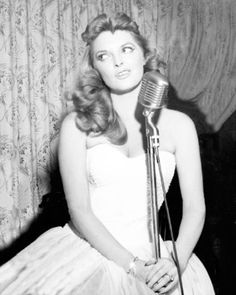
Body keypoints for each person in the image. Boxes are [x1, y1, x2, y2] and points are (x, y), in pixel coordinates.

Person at [0, 13, 215, 295]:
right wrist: (133, 266)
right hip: (87, 251)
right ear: (95, 67)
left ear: (144, 56)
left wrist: (177, 260)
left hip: (160, 258)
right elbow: (80, 211)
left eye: (127, 49)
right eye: (104, 55)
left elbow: (196, 208)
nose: (118, 62)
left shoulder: (179, 126)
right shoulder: (77, 125)